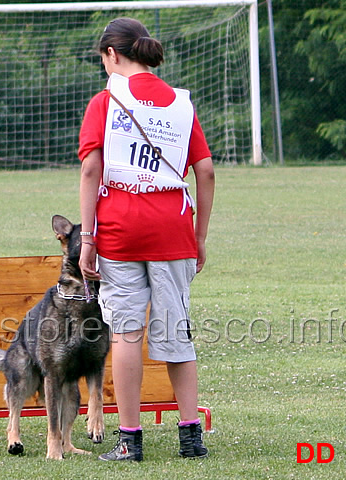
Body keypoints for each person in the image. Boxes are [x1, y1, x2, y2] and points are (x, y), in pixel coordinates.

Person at [78, 17, 215, 461]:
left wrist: (88, 239)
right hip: (173, 228)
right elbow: (206, 171)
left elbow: (90, 171)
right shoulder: (180, 102)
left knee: (127, 335)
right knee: (177, 331)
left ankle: (130, 441)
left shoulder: (105, 101)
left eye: (103, 60)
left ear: (113, 55)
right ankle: (191, 438)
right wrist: (200, 236)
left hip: (120, 229)